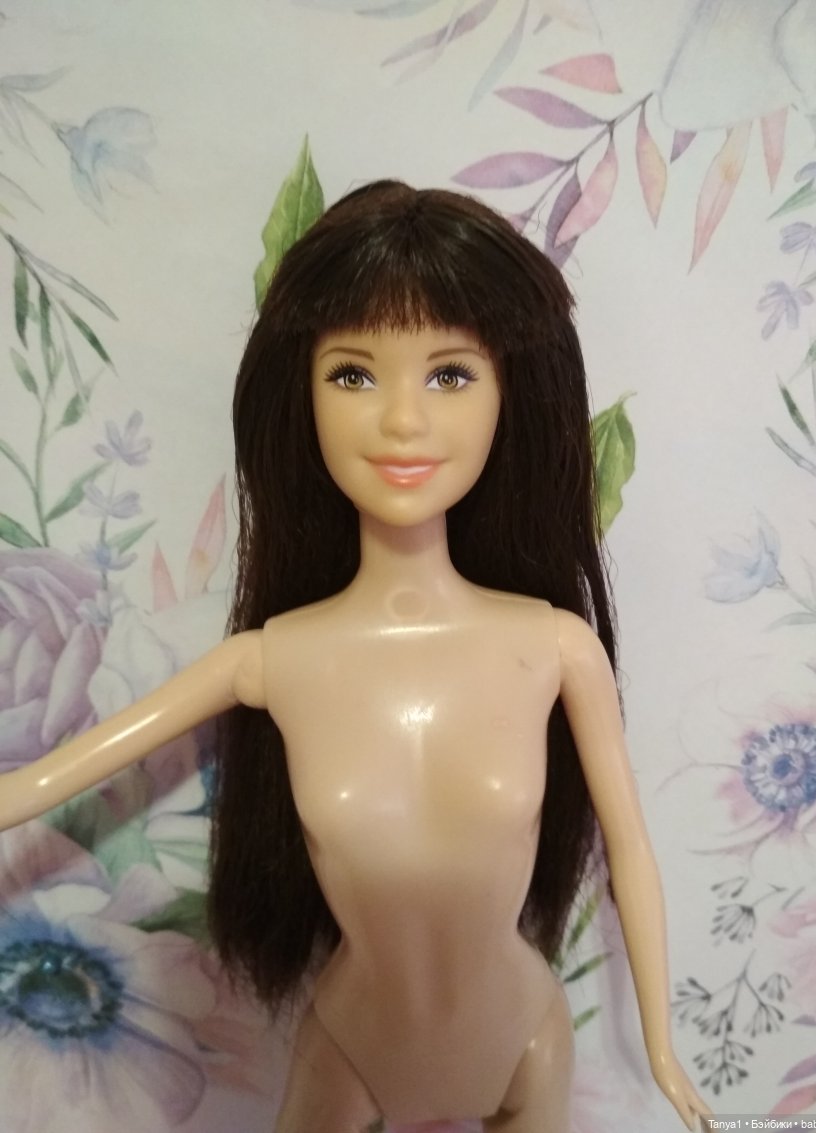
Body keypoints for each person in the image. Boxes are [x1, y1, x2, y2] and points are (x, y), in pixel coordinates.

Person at [0, 181, 707, 1132]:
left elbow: (631, 851)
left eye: (449, 374)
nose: (402, 421)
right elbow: (38, 784)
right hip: (353, 1044)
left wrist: (660, 1045)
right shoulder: (273, 659)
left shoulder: (553, 646)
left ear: (511, 392)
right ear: (302, 395)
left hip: (523, 1038)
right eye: (353, 375)